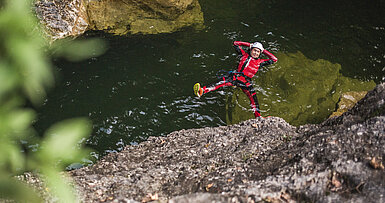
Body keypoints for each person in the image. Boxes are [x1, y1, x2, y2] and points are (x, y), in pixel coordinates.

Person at [193, 41, 278, 117]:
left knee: (254, 100)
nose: (255, 52)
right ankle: (202, 90)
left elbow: (274, 59)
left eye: (258, 51)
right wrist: (250, 45)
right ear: (251, 50)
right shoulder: (243, 54)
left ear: (260, 53)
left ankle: (258, 117)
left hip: (246, 82)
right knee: (219, 82)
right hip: (235, 77)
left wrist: (263, 50)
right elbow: (235, 43)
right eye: (254, 50)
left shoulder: (260, 62)